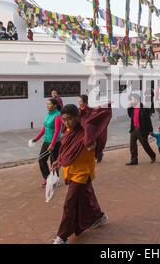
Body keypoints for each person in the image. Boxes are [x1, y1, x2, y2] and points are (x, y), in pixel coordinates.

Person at [51, 104, 111, 244]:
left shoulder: (87, 131)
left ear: (77, 118)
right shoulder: (66, 131)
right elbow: (66, 150)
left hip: (82, 172)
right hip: (70, 171)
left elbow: (92, 144)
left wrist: (92, 144)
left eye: (70, 119)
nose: (66, 122)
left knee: (69, 203)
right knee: (86, 196)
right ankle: (98, 216)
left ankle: (62, 236)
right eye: (64, 119)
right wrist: (58, 161)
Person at [31, 98, 62, 186]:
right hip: (46, 141)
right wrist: (37, 138)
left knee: (53, 162)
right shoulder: (48, 114)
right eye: (47, 104)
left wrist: (52, 144)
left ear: (55, 105)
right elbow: (45, 128)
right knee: (41, 160)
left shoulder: (57, 116)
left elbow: (57, 131)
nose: (47, 106)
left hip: (55, 143)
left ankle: (55, 180)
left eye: (49, 104)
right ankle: (47, 177)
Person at [126, 94, 156, 165]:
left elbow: (148, 120)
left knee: (145, 144)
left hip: (141, 129)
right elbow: (130, 116)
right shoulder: (133, 108)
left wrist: (150, 130)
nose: (131, 101)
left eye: (132, 99)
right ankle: (134, 160)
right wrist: (128, 108)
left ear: (137, 100)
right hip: (133, 129)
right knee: (132, 145)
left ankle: (152, 155)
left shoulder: (144, 108)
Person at [78, 95, 108, 163]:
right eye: (78, 101)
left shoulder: (90, 110)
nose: (79, 103)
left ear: (85, 102)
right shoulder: (79, 110)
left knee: (94, 144)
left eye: (80, 101)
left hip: (90, 131)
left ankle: (99, 155)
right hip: (82, 130)